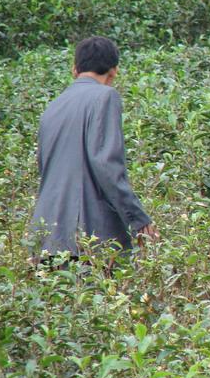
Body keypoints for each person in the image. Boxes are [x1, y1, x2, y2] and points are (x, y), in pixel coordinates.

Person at [30, 36, 158, 260]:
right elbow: (106, 164)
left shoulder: (52, 107)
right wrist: (139, 220)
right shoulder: (105, 97)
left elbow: (44, 168)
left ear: (74, 69)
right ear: (113, 72)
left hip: (45, 235)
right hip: (87, 238)